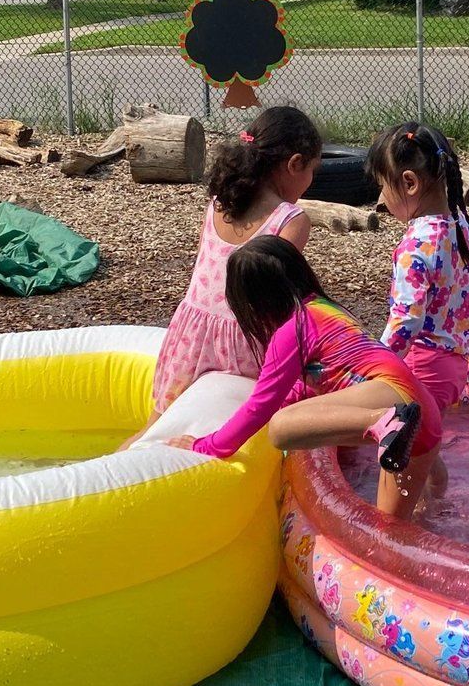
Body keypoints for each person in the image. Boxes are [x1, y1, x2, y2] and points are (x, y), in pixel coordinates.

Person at [167, 236, 443, 520]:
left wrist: (205, 446)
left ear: (254, 303)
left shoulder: (292, 330)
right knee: (425, 515)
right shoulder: (327, 309)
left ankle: (382, 423)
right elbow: (320, 380)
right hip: (424, 408)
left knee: (281, 428)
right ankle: (393, 430)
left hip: (394, 404)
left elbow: (260, 407)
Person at [123, 106, 321, 448]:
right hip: (247, 341)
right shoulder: (291, 220)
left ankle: (106, 470)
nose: (311, 181)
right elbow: (278, 299)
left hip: (189, 336)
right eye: (312, 170)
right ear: (294, 164)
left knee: (151, 432)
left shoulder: (219, 202)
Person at [367, 122, 469, 491]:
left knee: (397, 455)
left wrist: (369, 367)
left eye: (382, 186)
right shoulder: (462, 227)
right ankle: (437, 506)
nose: (381, 197)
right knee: (426, 451)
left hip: (421, 367)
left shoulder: (417, 245)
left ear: (408, 183)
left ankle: (404, 532)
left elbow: (405, 321)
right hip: (450, 367)